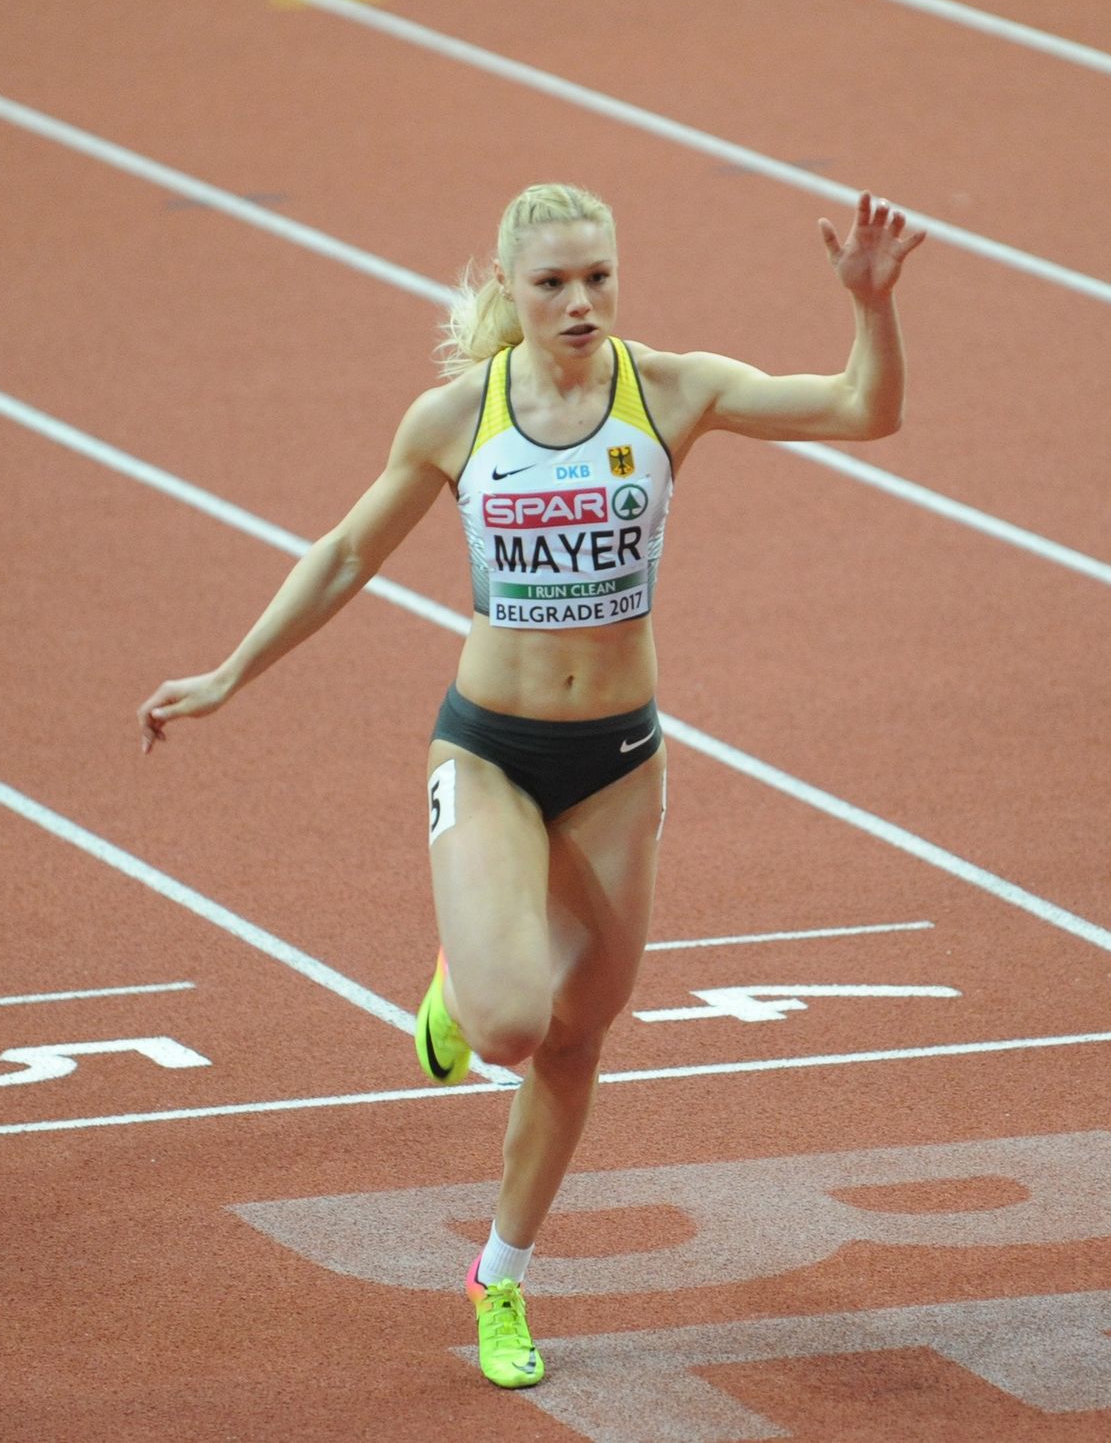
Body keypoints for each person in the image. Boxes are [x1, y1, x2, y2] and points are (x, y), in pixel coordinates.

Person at [136, 182, 924, 1389]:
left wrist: (869, 306)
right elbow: (346, 553)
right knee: (509, 1025)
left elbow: (866, 410)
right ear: (510, 286)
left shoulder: (671, 391)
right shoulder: (459, 417)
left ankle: (498, 1277)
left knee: (576, 1039)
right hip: (492, 751)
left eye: (598, 276)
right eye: (552, 282)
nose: (580, 302)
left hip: (618, 764)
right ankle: (462, 979)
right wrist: (231, 672)